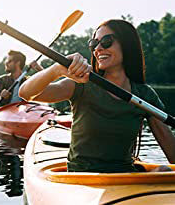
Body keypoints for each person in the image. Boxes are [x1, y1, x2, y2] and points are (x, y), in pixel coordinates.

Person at [19, 19, 175, 173]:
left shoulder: (145, 95)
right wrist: (56, 70)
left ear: (127, 45)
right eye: (94, 44)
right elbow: (25, 93)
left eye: (107, 41)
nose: (98, 49)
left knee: (164, 170)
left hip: (126, 178)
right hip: (82, 178)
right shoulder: (82, 84)